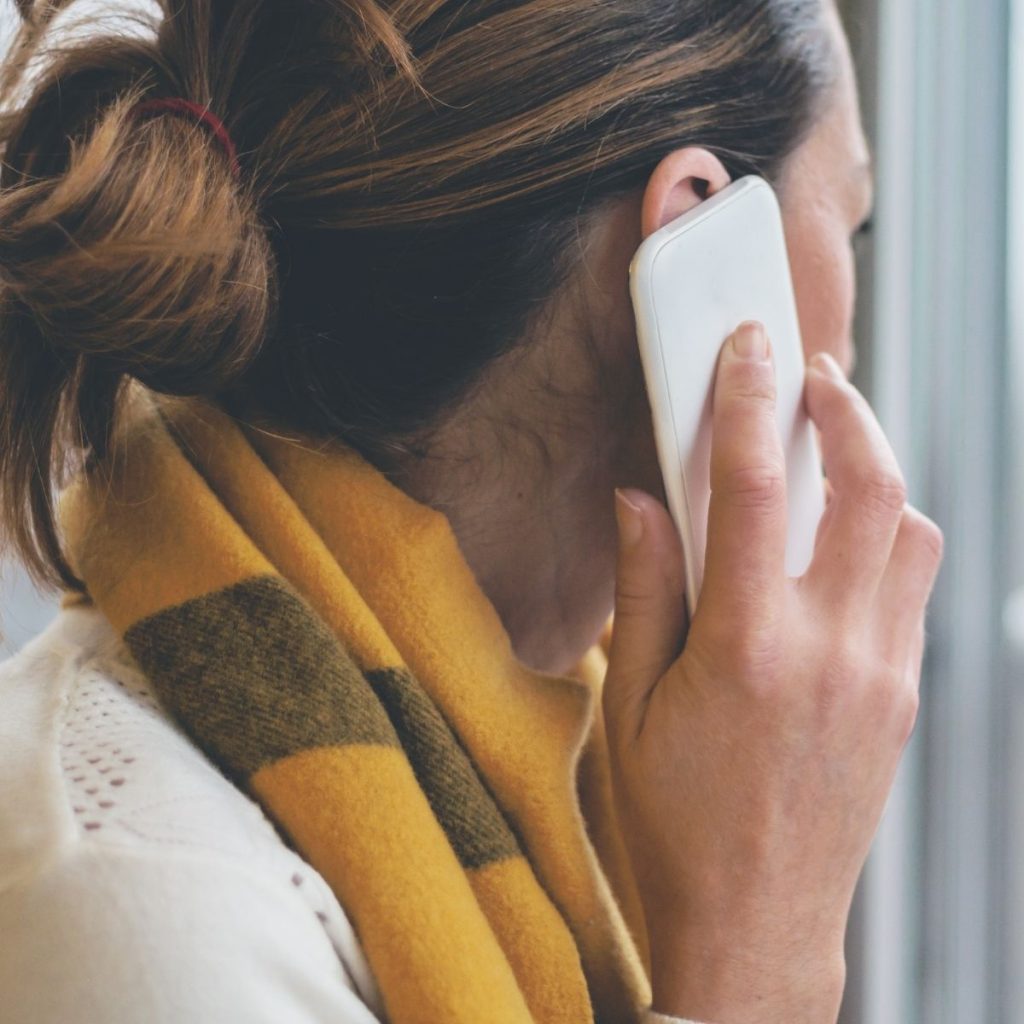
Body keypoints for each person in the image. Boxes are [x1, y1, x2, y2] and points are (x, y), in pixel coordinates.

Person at [0, 1, 942, 1022]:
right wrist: (760, 953)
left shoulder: (588, 758)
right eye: (853, 222)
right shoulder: (149, 915)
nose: (847, 350)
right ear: (696, 231)